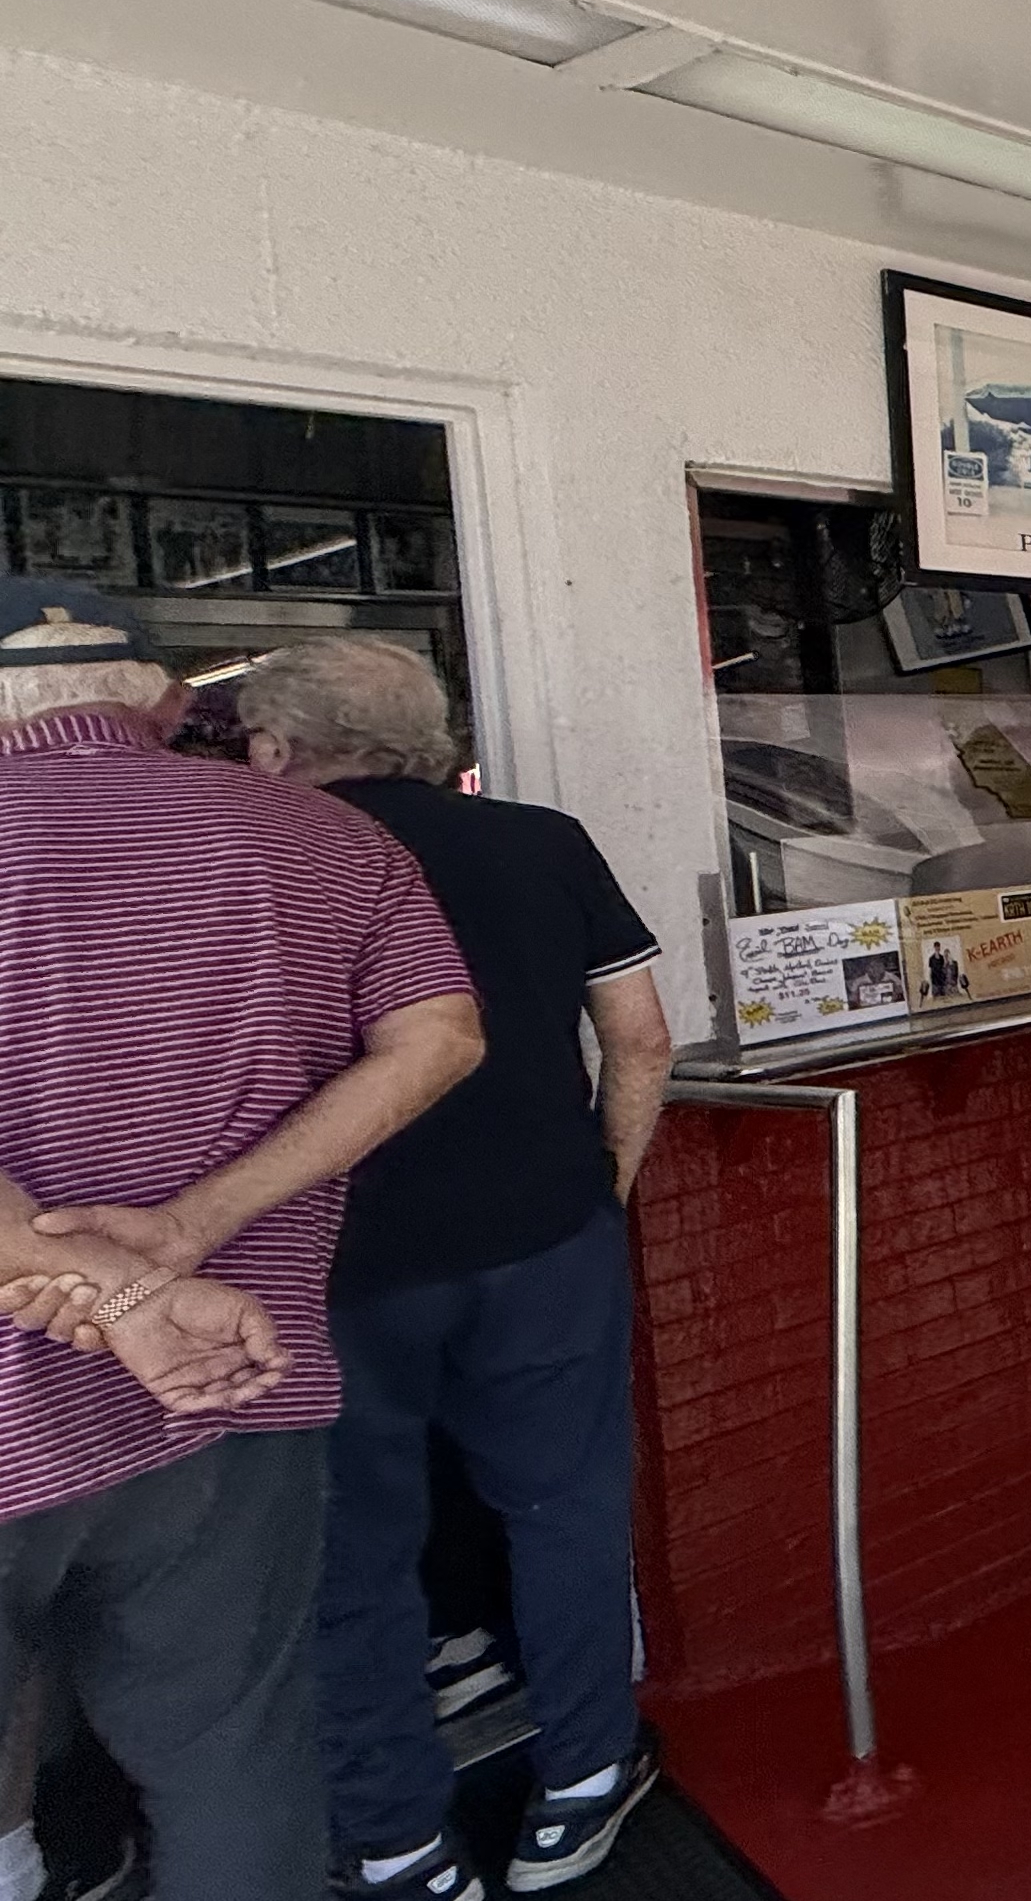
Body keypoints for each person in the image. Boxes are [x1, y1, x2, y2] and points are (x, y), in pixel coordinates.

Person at [0, 580, 487, 1899]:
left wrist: (103, 1285)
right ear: (168, 702)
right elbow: (442, 1039)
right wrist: (190, 1230)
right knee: (233, 1758)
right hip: (229, 1385)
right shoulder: (329, 838)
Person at [238, 641, 676, 1898]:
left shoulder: (250, 858)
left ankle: (401, 1845)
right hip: (544, 1238)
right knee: (565, 1510)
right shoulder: (542, 841)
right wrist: (602, 1184)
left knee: (351, 1550)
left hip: (330, 1265)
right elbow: (640, 1040)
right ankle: (583, 1780)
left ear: (277, 746)